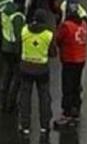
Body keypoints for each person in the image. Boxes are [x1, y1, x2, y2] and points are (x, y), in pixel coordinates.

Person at [18, 9, 55, 144]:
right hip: (42, 71)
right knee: (44, 98)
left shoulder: (24, 31)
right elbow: (53, 53)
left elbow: (19, 46)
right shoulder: (48, 35)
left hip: (26, 69)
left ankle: (25, 126)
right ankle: (44, 126)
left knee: (25, 98)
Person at [54, 2, 87, 127]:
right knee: (76, 84)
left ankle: (67, 113)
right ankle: (76, 109)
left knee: (67, 86)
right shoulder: (84, 24)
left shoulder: (66, 26)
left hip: (69, 60)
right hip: (81, 59)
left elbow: (58, 39)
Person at [0, 0, 27, 112]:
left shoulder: (5, 10)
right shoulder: (18, 16)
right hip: (14, 50)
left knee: (6, 76)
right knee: (17, 77)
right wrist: (21, 52)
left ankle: (3, 102)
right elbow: (19, 36)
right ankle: (12, 103)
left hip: (5, 46)